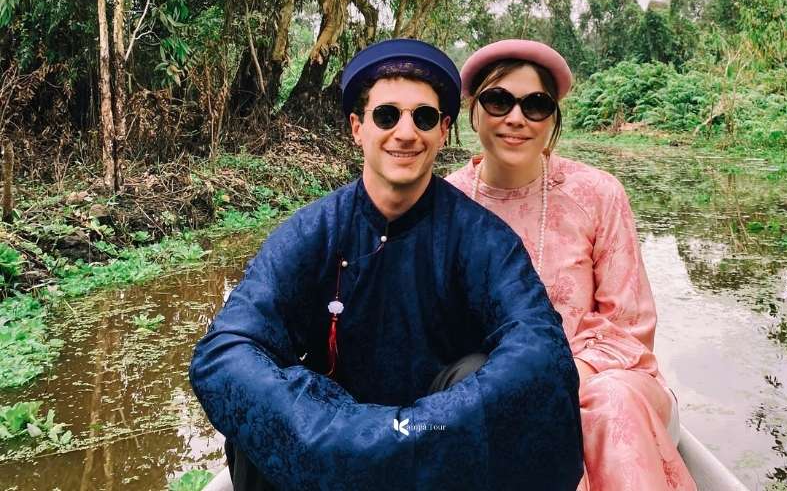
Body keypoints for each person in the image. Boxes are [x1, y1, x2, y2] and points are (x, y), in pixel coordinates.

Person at [189, 39, 584, 490]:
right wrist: (333, 425)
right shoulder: (312, 231)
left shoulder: (483, 237)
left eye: (424, 117)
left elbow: (539, 344)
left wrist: (410, 429)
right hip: (332, 449)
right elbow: (225, 350)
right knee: (263, 404)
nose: (405, 131)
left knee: (484, 371)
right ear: (358, 128)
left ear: (443, 130)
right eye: (386, 115)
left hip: (438, 446)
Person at [446, 39, 696, 491]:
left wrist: (560, 378)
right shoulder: (447, 203)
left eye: (536, 105)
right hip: (496, 383)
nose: (516, 118)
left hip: (607, 379)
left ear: (553, 117)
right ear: (474, 108)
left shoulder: (598, 194)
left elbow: (629, 325)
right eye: (499, 100)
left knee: (606, 402)